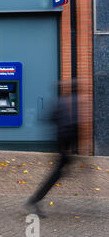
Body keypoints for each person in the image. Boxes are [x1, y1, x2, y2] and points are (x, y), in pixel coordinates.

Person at [25, 79, 78, 218]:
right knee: (56, 174)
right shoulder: (63, 103)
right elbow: (62, 123)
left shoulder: (64, 102)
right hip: (64, 146)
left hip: (65, 145)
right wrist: (65, 147)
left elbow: (53, 120)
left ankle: (36, 199)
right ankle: (35, 200)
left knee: (59, 173)